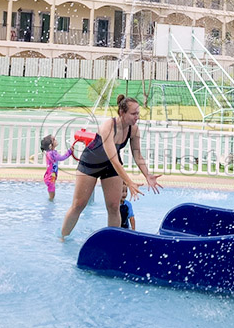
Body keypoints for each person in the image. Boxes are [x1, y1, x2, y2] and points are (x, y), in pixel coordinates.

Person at [60, 95, 162, 239]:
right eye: (133, 113)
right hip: (91, 163)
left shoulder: (133, 130)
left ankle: (112, 242)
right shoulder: (108, 127)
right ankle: (63, 237)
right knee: (79, 204)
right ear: (122, 112)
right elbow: (114, 159)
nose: (137, 117)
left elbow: (137, 155)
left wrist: (147, 174)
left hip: (111, 166)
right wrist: (129, 182)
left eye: (138, 113)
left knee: (114, 207)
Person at [40, 135, 74, 201]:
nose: (56, 140)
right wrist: (70, 151)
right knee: (52, 196)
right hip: (50, 177)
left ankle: (50, 201)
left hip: (50, 176)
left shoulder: (50, 153)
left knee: (52, 195)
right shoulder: (51, 153)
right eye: (54, 139)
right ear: (50, 145)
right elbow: (61, 158)